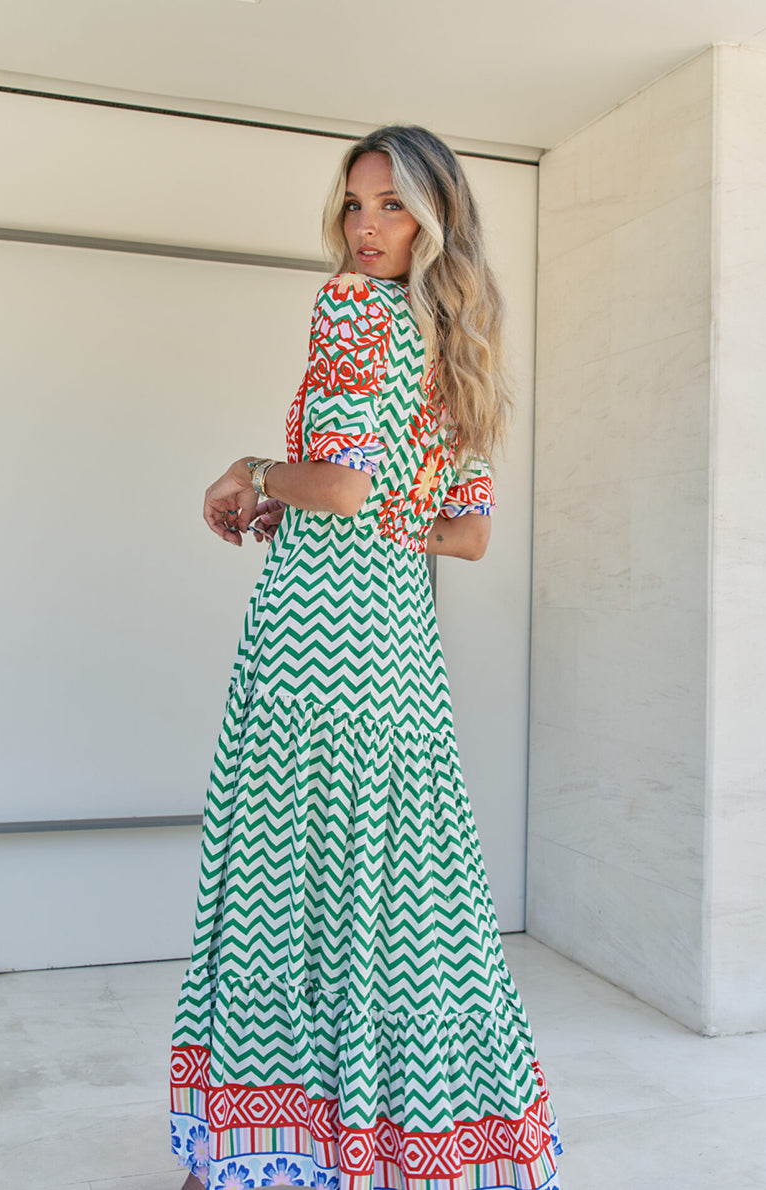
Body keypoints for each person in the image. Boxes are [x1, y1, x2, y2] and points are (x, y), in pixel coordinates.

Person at [169, 124, 563, 1190]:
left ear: (435, 218)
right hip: (398, 656)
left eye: (391, 206)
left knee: (281, 895)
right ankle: (415, 1152)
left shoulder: (350, 308)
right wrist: (341, 519)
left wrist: (256, 470)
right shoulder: (464, 344)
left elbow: (340, 485)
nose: (366, 228)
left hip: (315, 647)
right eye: (354, 204)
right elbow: (465, 535)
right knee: (404, 907)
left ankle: (255, 1153)